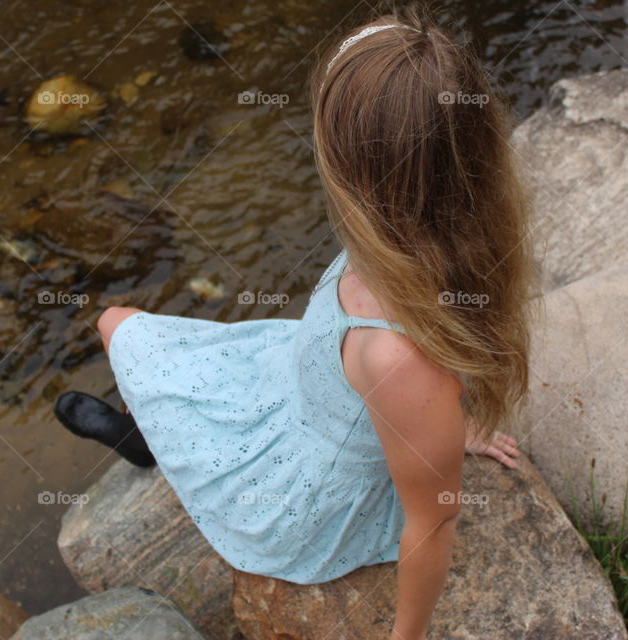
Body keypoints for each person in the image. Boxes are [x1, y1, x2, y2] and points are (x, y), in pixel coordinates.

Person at [54, 6, 535, 639]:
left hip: (303, 480)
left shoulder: (399, 360)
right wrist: (444, 427)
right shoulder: (417, 230)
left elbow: (435, 521)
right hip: (289, 382)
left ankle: (148, 443)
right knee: (116, 324)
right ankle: (145, 441)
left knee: (121, 326)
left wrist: (405, 636)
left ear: (360, 174)